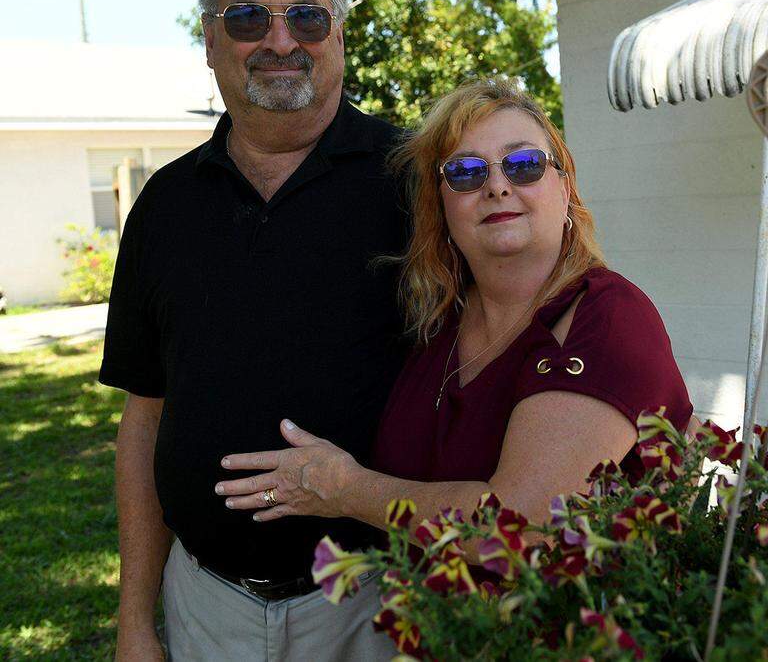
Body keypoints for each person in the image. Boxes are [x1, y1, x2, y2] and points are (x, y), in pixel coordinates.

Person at [101, 0, 404, 661]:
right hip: (207, 605)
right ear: (209, 38)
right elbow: (145, 420)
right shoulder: (164, 207)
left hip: (379, 600)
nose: (280, 41)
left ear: (338, 31)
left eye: (306, 17)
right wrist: (135, 619)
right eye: (247, 18)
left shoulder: (419, 181)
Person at [213, 79, 693, 556]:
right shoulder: (441, 323)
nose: (498, 187)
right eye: (466, 173)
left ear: (565, 187)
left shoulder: (607, 318)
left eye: (524, 165)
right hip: (430, 629)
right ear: (441, 207)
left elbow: (517, 527)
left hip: (572, 632)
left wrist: (345, 489)